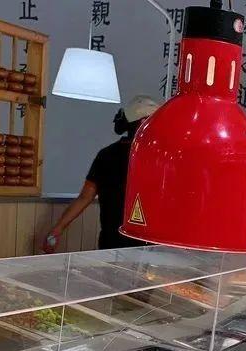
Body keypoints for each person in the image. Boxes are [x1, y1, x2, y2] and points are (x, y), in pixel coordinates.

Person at [41, 95, 160, 252]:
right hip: (142, 246)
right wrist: (58, 229)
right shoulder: (158, 157)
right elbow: (85, 197)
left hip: (116, 245)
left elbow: (85, 197)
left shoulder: (107, 155)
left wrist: (58, 229)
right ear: (142, 124)